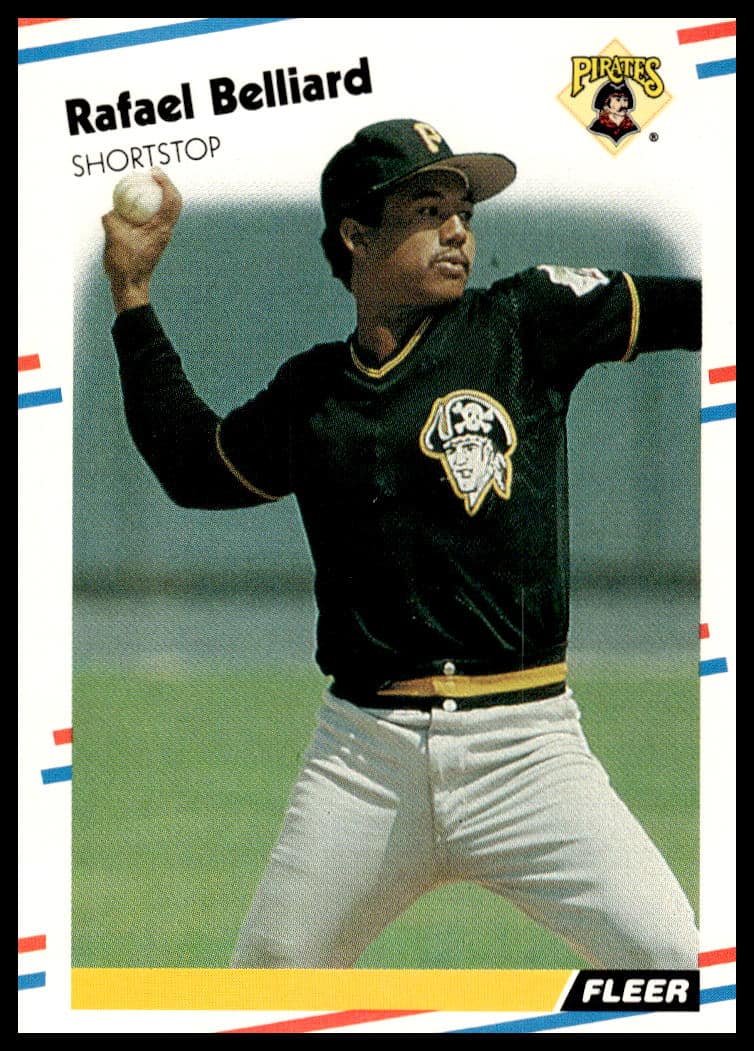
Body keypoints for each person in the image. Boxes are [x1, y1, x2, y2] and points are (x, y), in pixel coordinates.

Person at [101, 118, 700, 970]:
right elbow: (195, 466)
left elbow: (696, 308)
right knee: (262, 992)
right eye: (428, 209)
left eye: (465, 211)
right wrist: (132, 296)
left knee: (674, 965)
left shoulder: (523, 322)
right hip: (362, 761)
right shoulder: (314, 392)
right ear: (356, 234)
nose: (458, 230)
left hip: (528, 752)